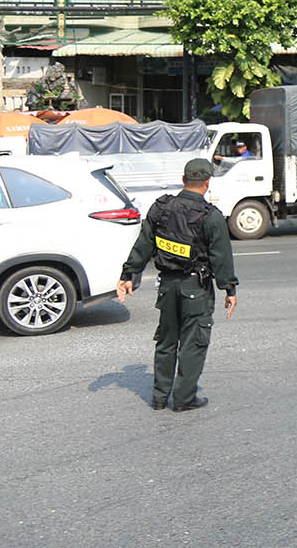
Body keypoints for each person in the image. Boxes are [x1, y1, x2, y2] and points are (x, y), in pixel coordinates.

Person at [116, 158, 238, 411]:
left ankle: (159, 398)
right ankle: (183, 399)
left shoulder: (161, 207)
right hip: (195, 288)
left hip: (167, 287)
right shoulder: (211, 216)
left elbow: (144, 243)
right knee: (193, 344)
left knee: (166, 342)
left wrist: (128, 274)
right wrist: (229, 289)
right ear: (207, 183)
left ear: (183, 180)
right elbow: (221, 257)